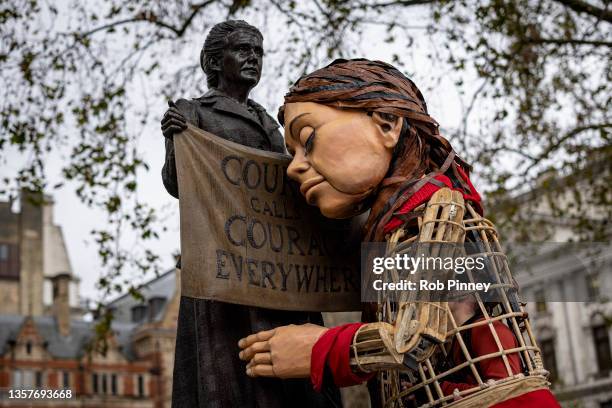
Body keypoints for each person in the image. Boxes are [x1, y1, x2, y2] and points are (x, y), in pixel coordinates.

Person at [237, 58, 561, 407]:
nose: (295, 166)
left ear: (387, 124)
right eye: (292, 153)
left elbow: (415, 340)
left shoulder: (438, 208)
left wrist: (318, 349)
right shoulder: (394, 230)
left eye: (308, 138)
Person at [161, 20, 341, 407]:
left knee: (297, 385)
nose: (253, 59)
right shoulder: (192, 113)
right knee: (237, 377)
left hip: (281, 270)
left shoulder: (273, 122)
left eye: (258, 52)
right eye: (243, 50)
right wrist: (174, 140)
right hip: (227, 274)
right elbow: (178, 185)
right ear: (213, 60)